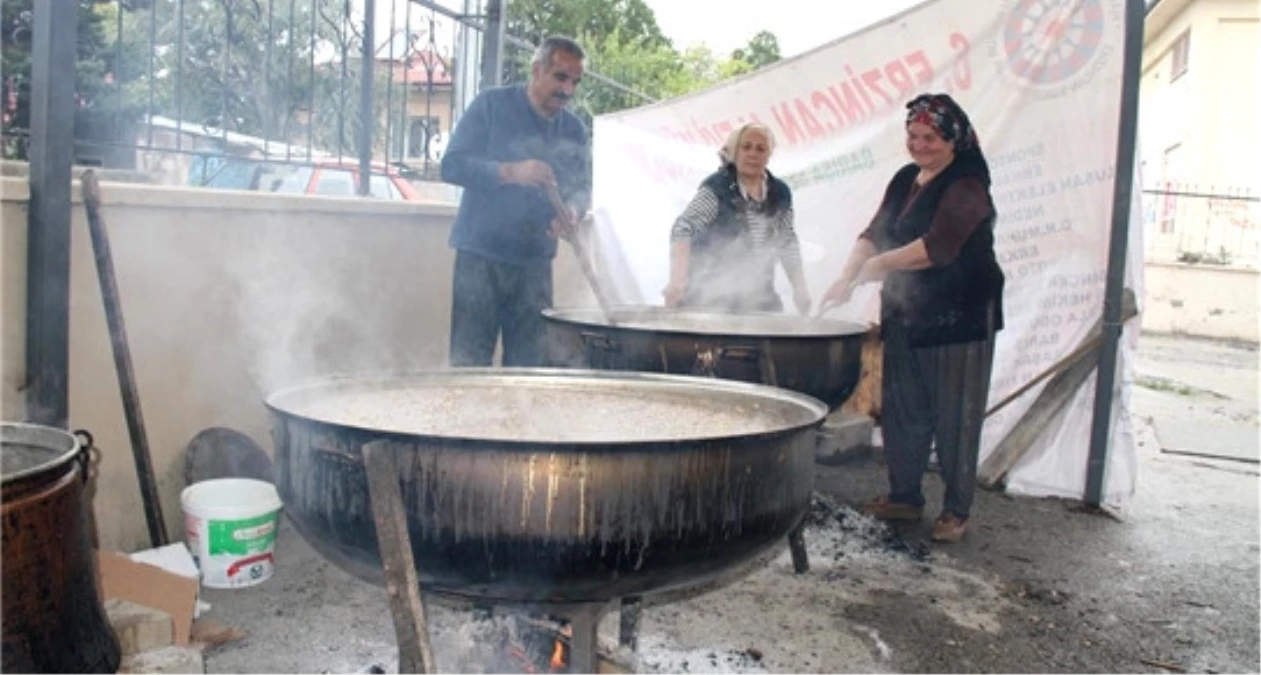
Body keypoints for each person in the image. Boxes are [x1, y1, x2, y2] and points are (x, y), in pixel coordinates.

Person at [817, 93, 1004, 543]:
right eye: (913, 136)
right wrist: (846, 275)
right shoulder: (906, 179)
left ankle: (957, 510)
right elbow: (874, 232)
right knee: (903, 410)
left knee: (955, 416)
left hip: (960, 317)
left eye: (931, 138)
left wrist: (877, 268)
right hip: (907, 313)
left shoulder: (967, 182)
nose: (919, 145)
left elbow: (936, 248)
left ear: (954, 141)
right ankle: (904, 496)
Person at [439, 36, 591, 367]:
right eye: (560, 77)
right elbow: (452, 165)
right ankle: (467, 418)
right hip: (481, 257)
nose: (568, 90)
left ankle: (520, 420)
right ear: (537, 70)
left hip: (535, 263)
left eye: (575, 82)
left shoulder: (575, 130)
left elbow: (582, 189)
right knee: (469, 360)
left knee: (530, 365)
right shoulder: (491, 106)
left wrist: (572, 212)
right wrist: (509, 172)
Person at [663, 123, 811, 314]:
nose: (753, 153)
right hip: (709, 296)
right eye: (746, 147)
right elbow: (683, 228)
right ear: (735, 151)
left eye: (760, 148)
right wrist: (678, 280)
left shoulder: (780, 192)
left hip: (759, 296)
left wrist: (800, 288)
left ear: (768, 155)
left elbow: (787, 241)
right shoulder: (717, 188)